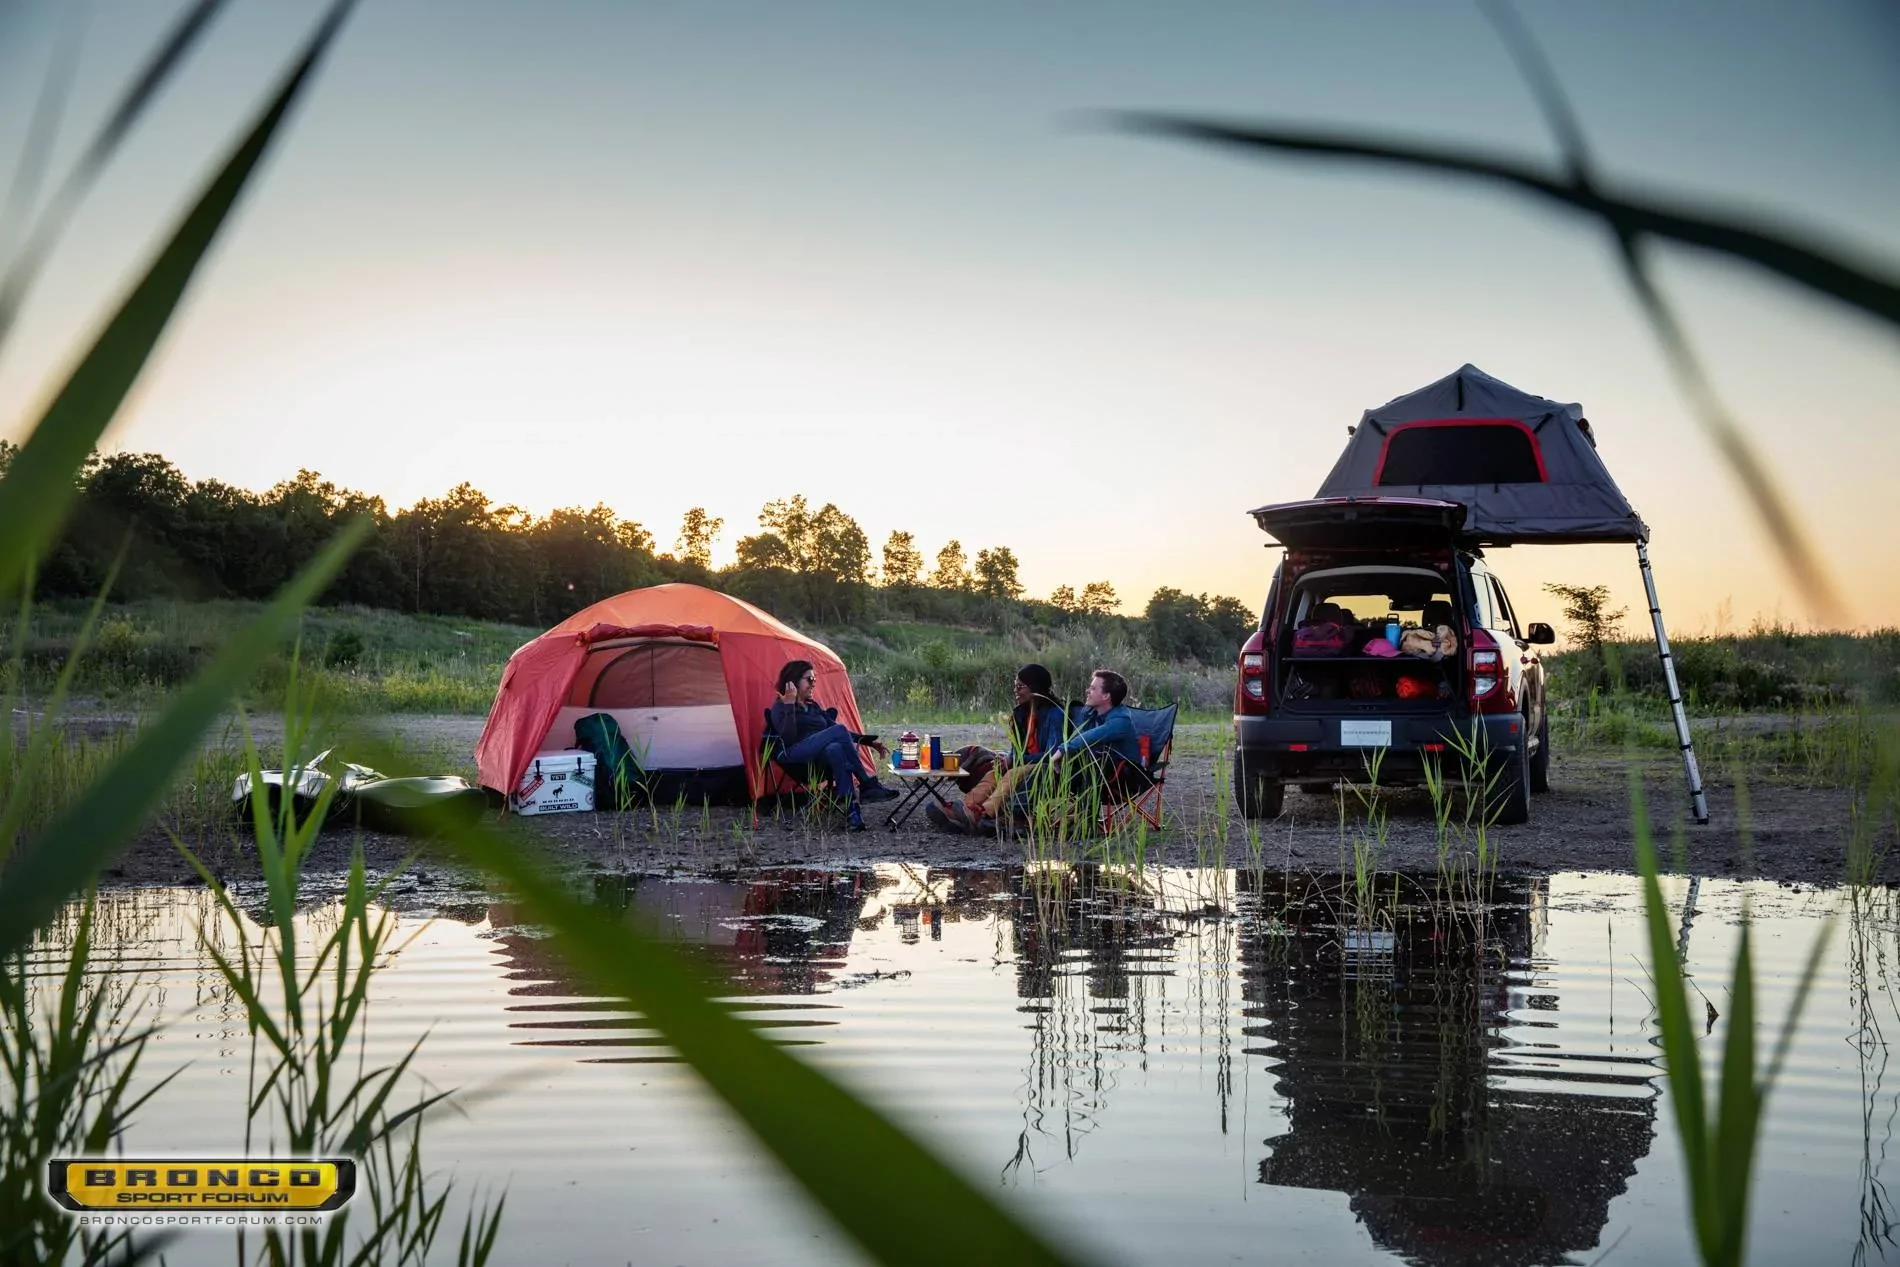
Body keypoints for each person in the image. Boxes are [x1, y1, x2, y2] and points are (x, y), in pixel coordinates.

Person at [926, 663, 1070, 834]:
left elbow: (1053, 753)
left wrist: (1016, 761)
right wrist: (1009, 759)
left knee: (1011, 773)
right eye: (1014, 686)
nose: (1015, 690)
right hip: (1023, 763)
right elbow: (1016, 750)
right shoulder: (1020, 715)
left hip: (1047, 767)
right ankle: (967, 808)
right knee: (995, 771)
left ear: (1035, 688)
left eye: (1020, 687)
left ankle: (983, 813)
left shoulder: (1056, 715)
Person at [766, 660, 896, 832]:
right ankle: (867, 784)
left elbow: (835, 731)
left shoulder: (814, 707)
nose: (813, 684)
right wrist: (790, 704)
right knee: (839, 731)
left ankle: (853, 814)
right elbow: (788, 738)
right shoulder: (780, 706)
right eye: (809, 679)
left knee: (835, 749)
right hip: (794, 755)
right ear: (793, 681)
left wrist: (867, 742)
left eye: (814, 680)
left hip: (819, 758)